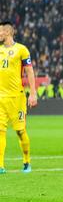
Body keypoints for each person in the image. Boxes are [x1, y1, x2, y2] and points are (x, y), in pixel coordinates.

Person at [0, 21, 38, 174]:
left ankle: (26, 162)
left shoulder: (21, 50)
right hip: (0, 98)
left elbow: (29, 72)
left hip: (17, 98)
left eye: (0, 32)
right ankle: (1, 165)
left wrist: (33, 93)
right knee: (0, 131)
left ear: (7, 32)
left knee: (20, 131)